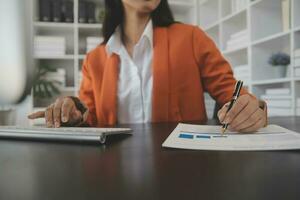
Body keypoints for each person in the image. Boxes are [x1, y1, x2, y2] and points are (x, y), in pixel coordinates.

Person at [28, 0, 267, 133]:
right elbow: (89, 116)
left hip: (186, 169)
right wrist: (72, 113)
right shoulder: (95, 59)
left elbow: (234, 93)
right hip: (110, 172)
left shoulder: (192, 38)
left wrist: (252, 108)